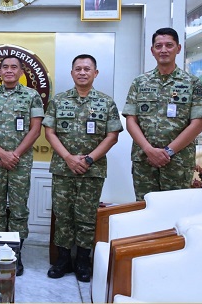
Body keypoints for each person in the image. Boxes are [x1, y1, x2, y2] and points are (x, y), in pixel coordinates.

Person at [43, 54, 122, 282]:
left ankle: (82, 261)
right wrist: (68, 158)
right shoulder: (58, 101)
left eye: (87, 69)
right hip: (63, 168)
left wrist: (88, 160)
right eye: (78, 69)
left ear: (95, 73)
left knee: (86, 216)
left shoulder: (106, 102)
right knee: (63, 215)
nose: (82, 72)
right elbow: (50, 132)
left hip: (92, 170)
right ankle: (63, 260)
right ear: (72, 73)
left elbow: (112, 136)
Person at [0, 55, 45, 276]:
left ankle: (15, 254)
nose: (9, 70)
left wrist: (14, 155)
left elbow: (35, 130)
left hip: (20, 163)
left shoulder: (32, 96)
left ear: (21, 72)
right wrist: (1, 153)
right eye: (5, 67)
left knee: (18, 209)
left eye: (14, 67)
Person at [123, 27, 202, 200]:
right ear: (152, 50)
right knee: (145, 208)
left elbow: (197, 125)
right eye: (158, 46)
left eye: (169, 45)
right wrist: (149, 150)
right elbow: (131, 121)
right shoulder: (140, 82)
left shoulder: (193, 83)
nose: (163, 50)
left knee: (175, 210)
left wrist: (167, 152)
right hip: (144, 161)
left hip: (178, 163)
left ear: (178, 48)